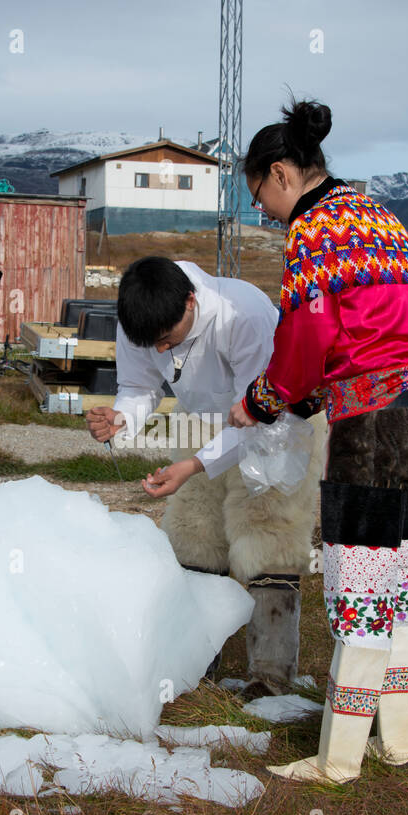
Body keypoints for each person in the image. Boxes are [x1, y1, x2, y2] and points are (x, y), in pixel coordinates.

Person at [228, 99, 408, 784]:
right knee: (402, 594)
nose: (264, 212)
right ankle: (401, 742)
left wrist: (263, 401)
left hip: (374, 428)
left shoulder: (313, 232)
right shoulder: (375, 213)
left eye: (260, 197)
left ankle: (338, 762)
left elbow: (305, 339)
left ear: (280, 174)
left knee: (358, 601)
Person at [85, 257, 328, 698]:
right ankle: (195, 664)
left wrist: (194, 465)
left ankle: (270, 679)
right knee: (194, 535)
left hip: (277, 421)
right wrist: (122, 417)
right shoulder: (141, 318)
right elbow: (141, 387)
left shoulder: (244, 314)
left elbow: (257, 414)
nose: (159, 351)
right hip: (201, 419)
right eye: (150, 344)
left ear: (192, 302)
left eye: (166, 340)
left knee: (267, 537)